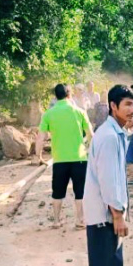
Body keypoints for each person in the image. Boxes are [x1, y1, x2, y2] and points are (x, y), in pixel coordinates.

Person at [83, 85, 133, 266]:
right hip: (105, 213)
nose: (132, 109)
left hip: (101, 210)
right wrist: (118, 214)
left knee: (100, 260)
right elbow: (109, 179)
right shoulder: (109, 137)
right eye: (127, 104)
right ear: (113, 106)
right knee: (110, 262)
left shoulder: (113, 133)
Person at [34, 84, 93, 229]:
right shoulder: (79, 112)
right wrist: (90, 150)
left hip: (59, 159)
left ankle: (56, 221)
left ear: (55, 96)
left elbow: (40, 138)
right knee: (80, 191)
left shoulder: (48, 114)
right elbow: (91, 134)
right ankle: (80, 220)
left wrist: (38, 156)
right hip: (79, 158)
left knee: (58, 191)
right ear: (69, 95)